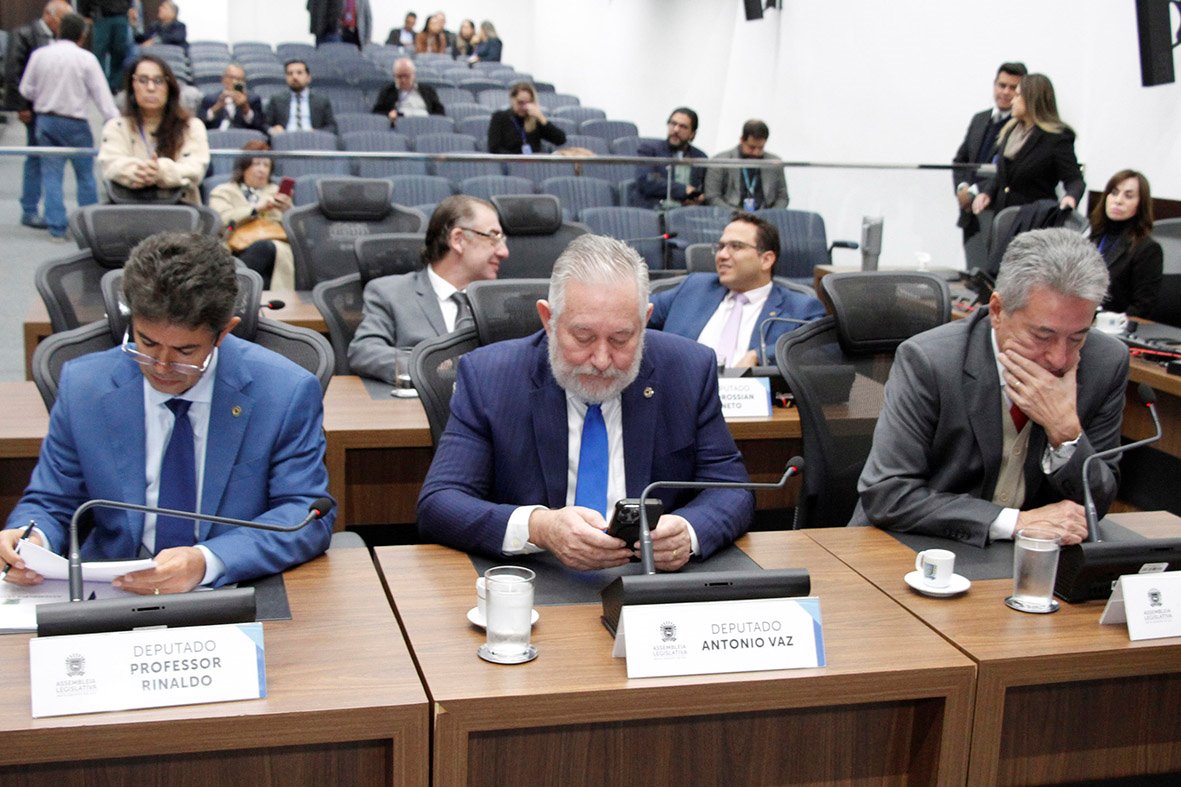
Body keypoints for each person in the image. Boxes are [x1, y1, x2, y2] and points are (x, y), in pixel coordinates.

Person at [1, 232, 334, 593]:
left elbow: (304, 514)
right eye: (146, 342)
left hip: (229, 589)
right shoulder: (84, 386)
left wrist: (207, 560)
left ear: (223, 333)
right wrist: (30, 541)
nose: (161, 366)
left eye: (185, 351)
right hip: (112, 587)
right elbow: (51, 501)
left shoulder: (285, 393)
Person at [417, 234, 754, 571]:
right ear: (548, 319)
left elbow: (733, 489)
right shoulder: (489, 376)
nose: (602, 360)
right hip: (536, 574)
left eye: (621, 338)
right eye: (583, 337)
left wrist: (688, 531)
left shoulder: (688, 370)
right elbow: (440, 503)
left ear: (645, 321)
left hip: (649, 578)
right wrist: (539, 527)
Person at [853, 228, 1128, 548]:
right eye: (1042, 336)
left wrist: (1066, 433)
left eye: (1077, 338)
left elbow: (1096, 505)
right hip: (912, 546)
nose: (1059, 358)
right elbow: (888, 493)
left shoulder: (1105, 363)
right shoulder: (931, 361)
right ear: (997, 311)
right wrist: (1015, 523)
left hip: (1027, 557)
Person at [348, 195, 507, 382]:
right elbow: (364, 351)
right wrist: (431, 368)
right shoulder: (389, 292)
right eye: (493, 237)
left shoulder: (499, 302)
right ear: (458, 239)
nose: (504, 252)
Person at [649, 212, 825, 367]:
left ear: (766, 260)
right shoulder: (694, 287)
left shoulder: (800, 308)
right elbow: (640, 313)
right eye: (721, 247)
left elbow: (820, 348)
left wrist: (759, 356)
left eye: (736, 246)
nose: (722, 255)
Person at [20, 12, 120, 240]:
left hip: (45, 121)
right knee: (85, 176)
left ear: (58, 30)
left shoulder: (39, 55)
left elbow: (26, 89)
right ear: (82, 35)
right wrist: (113, 120)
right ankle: (89, 229)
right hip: (75, 124)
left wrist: (44, 94)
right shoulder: (86, 59)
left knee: (51, 175)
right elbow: (102, 97)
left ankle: (56, 228)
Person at [98, 54, 210, 206]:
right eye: (143, 80)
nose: (150, 88)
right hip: (127, 210)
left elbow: (195, 168)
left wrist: (161, 171)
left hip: (180, 210)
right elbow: (111, 164)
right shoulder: (116, 126)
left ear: (169, 87)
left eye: (158, 81)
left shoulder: (192, 126)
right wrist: (139, 171)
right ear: (132, 86)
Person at [971, 73, 1084, 218]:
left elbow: (1074, 179)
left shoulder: (1056, 138)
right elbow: (1004, 175)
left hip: (1034, 219)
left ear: (1032, 100)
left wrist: (1071, 197)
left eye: (1018, 95)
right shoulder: (1010, 130)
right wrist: (987, 193)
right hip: (1004, 218)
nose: (1012, 100)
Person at [4, 0, 71, 230]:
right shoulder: (23, 34)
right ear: (49, 15)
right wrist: (21, 106)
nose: (65, 24)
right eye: (63, 18)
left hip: (53, 107)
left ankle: (42, 210)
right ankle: (29, 210)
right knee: (35, 158)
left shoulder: (59, 38)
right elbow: (13, 72)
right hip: (33, 107)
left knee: (48, 160)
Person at [952, 62, 1027, 267]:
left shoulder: (1021, 126)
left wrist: (976, 191)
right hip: (970, 215)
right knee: (973, 272)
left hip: (998, 213)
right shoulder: (980, 119)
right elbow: (960, 160)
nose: (1006, 92)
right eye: (1002, 85)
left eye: (1013, 87)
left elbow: (1008, 170)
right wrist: (962, 188)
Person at [208, 140, 295, 290]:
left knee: (266, 247)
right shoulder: (223, 191)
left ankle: (231, 289)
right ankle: (233, 288)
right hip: (234, 246)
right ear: (244, 166)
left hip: (275, 251)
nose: (262, 170)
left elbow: (297, 231)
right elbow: (222, 221)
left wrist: (288, 211)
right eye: (257, 164)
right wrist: (255, 209)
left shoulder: (277, 193)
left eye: (266, 165)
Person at [1090, 169, 1163, 318]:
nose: (1118, 200)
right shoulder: (1091, 236)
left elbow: (1143, 307)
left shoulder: (1147, 249)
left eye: (1128, 196)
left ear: (1140, 204)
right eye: (1114, 193)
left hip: (1113, 326)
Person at [629, 107, 707, 210]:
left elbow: (703, 191)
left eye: (683, 127)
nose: (676, 130)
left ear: (692, 134)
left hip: (687, 213)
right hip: (655, 211)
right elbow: (647, 182)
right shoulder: (650, 150)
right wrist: (684, 190)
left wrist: (693, 197)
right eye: (673, 124)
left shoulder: (700, 157)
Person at [703, 119, 790, 211]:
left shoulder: (774, 163)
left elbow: (783, 197)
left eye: (761, 148)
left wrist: (772, 214)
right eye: (752, 147)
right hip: (731, 214)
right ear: (741, 140)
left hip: (765, 215)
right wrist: (736, 214)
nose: (756, 153)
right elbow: (712, 197)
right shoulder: (720, 161)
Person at [486, 81, 566, 155]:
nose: (525, 107)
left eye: (529, 103)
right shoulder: (500, 117)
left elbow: (560, 140)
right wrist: (517, 160)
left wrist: (541, 117)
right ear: (512, 100)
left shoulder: (535, 119)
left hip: (533, 163)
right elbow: (494, 148)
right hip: (509, 162)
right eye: (520, 103)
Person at [265, 59, 337, 135]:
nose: (294, 77)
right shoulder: (276, 100)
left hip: (313, 138)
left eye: (299, 73)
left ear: (308, 78)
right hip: (285, 138)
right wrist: (272, 130)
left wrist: (317, 133)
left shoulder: (321, 101)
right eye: (290, 74)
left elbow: (332, 128)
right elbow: (265, 124)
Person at [370, 57, 445, 128]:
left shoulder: (428, 90)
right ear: (394, 76)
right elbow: (376, 113)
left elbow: (440, 112)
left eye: (406, 76)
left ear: (414, 75)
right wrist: (389, 114)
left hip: (426, 124)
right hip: (400, 125)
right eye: (399, 76)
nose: (403, 80)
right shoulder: (387, 91)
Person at [78, 0, 131, 92]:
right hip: (101, 16)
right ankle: (98, 86)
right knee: (99, 54)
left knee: (120, 52)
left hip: (121, 15)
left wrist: (129, 7)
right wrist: (85, 13)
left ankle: (115, 86)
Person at [199, 63, 266, 132]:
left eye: (239, 79)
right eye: (231, 78)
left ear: (244, 82)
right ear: (223, 79)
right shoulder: (210, 99)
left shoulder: (253, 99)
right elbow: (200, 124)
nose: (234, 82)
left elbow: (260, 126)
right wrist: (217, 107)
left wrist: (246, 108)